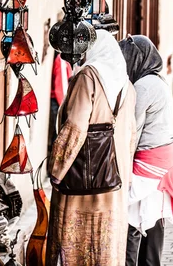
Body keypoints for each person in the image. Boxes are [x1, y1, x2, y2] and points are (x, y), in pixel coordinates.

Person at [47, 30, 137, 266]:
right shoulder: (126, 85)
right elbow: (131, 137)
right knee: (105, 253)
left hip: (82, 189)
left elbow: (75, 128)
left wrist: (56, 170)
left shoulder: (89, 77)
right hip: (113, 188)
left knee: (76, 252)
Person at [119, 35, 173, 266]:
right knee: (153, 221)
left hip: (149, 164)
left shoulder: (143, 85)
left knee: (132, 223)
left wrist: (122, 167)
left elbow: (133, 130)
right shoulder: (158, 81)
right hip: (163, 162)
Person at [48, 53, 73, 153]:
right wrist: (65, 107)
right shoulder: (62, 60)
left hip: (59, 101)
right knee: (57, 133)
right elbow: (60, 87)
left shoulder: (64, 61)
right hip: (58, 102)